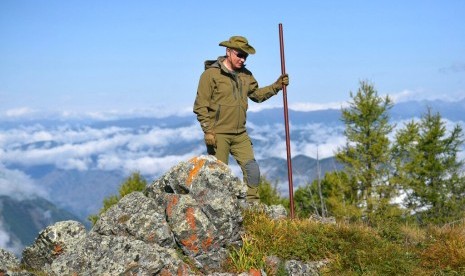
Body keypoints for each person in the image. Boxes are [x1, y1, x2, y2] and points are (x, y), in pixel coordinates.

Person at [193, 35, 289, 202]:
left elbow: (257, 95)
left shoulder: (246, 75)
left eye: (245, 56)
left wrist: (276, 86)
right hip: (218, 134)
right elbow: (200, 106)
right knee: (218, 176)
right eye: (239, 54)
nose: (243, 59)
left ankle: (253, 207)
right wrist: (208, 131)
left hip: (240, 134)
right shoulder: (210, 75)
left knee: (252, 170)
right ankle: (218, 210)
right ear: (228, 52)